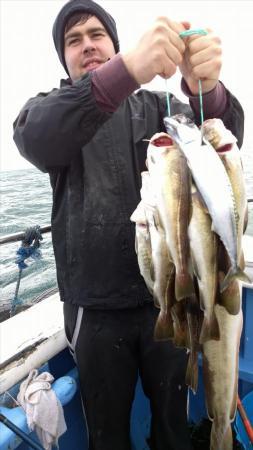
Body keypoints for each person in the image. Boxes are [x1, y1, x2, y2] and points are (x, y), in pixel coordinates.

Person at [13, 1, 244, 449]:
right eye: (73, 40)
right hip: (92, 311)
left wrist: (208, 88)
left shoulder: (160, 108)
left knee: (173, 428)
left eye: (97, 35)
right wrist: (128, 69)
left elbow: (222, 135)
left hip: (171, 300)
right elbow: (35, 137)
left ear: (114, 43)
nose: (87, 46)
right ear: (63, 57)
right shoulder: (51, 111)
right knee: (107, 435)